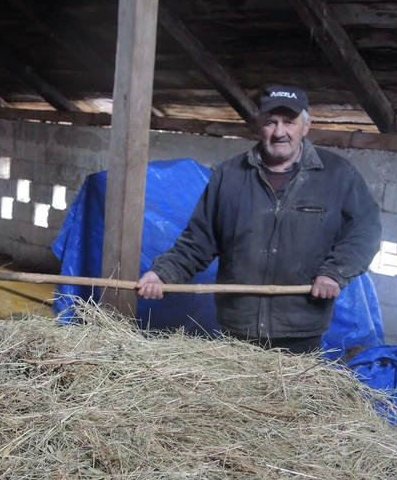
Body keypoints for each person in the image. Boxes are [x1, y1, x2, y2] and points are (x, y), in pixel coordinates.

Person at [136, 84, 382, 354]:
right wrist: (163, 273)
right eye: (270, 122)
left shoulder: (337, 175)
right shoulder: (229, 176)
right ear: (258, 126)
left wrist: (334, 273)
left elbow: (365, 231)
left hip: (300, 330)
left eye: (289, 122)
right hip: (236, 329)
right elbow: (199, 240)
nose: (279, 133)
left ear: (306, 126)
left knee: (292, 398)